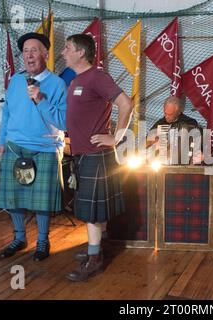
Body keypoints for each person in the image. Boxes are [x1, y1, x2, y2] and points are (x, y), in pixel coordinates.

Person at [61, 34, 134, 282]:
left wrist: (117, 137)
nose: (63, 52)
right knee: (94, 209)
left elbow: (126, 103)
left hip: (96, 155)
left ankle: (95, 259)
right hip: (83, 154)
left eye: (67, 48)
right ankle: (98, 249)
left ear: (81, 52)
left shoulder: (97, 77)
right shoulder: (76, 80)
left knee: (91, 211)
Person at [0, 32, 67, 261]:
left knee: (41, 202)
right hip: (15, 146)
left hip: (45, 148)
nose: (29, 56)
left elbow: (63, 122)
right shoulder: (16, 80)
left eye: (34, 50)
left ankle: (43, 241)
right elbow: (6, 113)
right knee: (12, 199)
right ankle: (19, 238)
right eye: (25, 51)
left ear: (45, 54)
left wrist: (40, 98)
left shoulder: (57, 84)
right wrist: (2, 141)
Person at [149, 96, 203, 164]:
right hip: (162, 163)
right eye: (165, 113)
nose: (166, 117)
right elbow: (148, 139)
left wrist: (199, 152)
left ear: (178, 112)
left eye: (170, 114)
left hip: (184, 166)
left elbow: (199, 145)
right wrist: (153, 140)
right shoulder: (161, 123)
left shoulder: (190, 123)